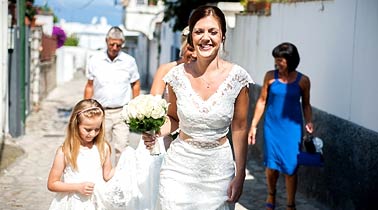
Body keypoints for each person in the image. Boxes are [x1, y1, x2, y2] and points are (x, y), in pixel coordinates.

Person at [143, 5, 254, 209]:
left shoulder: (238, 78)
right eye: (199, 31)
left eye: (213, 31)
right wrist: (155, 130)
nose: (206, 38)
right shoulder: (175, 77)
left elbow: (239, 128)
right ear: (191, 37)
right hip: (178, 169)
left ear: (223, 36)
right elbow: (174, 119)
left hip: (218, 172)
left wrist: (240, 175)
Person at [247, 42, 313, 210]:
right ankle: (271, 194)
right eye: (276, 60)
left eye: (280, 60)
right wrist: (253, 125)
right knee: (271, 166)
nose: (277, 63)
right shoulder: (270, 77)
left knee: (291, 168)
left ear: (290, 60)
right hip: (272, 128)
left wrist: (309, 121)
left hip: (292, 130)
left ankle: (290, 204)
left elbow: (306, 105)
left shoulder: (303, 81)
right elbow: (262, 100)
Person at [84, 26, 141, 164]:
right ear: (106, 41)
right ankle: (103, 177)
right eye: (112, 44)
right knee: (102, 147)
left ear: (122, 44)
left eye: (118, 45)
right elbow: (89, 85)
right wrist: (85, 109)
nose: (115, 47)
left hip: (122, 111)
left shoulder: (129, 61)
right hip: (101, 112)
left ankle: (120, 179)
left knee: (122, 147)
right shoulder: (95, 60)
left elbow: (136, 84)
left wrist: (136, 107)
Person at [47, 99, 113, 210]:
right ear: (75, 124)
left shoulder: (103, 148)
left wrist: (127, 162)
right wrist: (77, 187)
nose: (92, 134)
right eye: (87, 129)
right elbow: (52, 183)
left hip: (97, 203)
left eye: (97, 129)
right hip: (73, 203)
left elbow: (107, 175)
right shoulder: (65, 151)